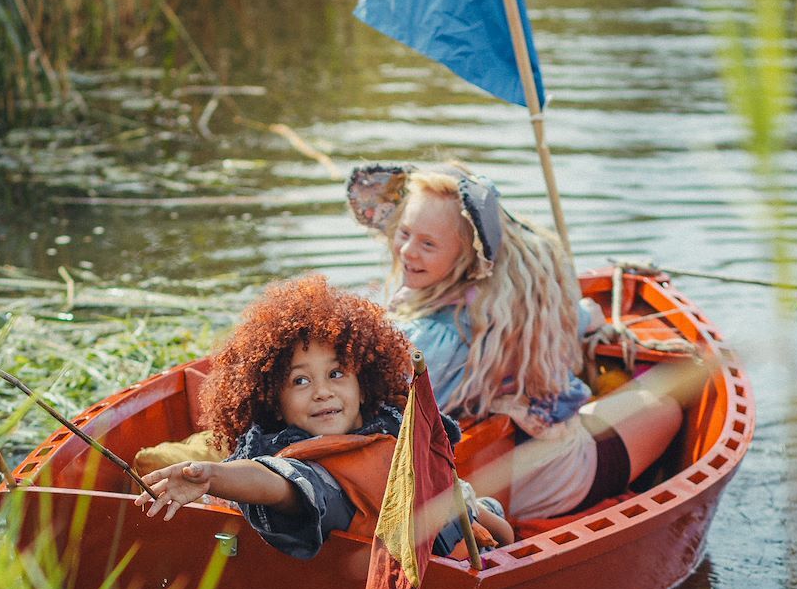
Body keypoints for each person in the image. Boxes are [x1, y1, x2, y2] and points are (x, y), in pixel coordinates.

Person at [347, 164, 685, 520]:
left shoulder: (432, 335)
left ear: (466, 255)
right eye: (404, 233)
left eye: (428, 243)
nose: (407, 252)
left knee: (649, 406)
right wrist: (589, 317)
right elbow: (564, 320)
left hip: (507, 478)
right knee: (664, 405)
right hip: (545, 479)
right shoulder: (511, 307)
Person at [134, 275, 514, 559]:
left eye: (336, 374)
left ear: (363, 383)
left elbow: (459, 497)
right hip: (405, 572)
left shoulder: (394, 426)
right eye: (300, 380)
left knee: (490, 516)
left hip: (456, 546)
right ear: (274, 402)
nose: (322, 391)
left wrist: (469, 506)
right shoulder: (304, 461)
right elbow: (282, 484)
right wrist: (214, 476)